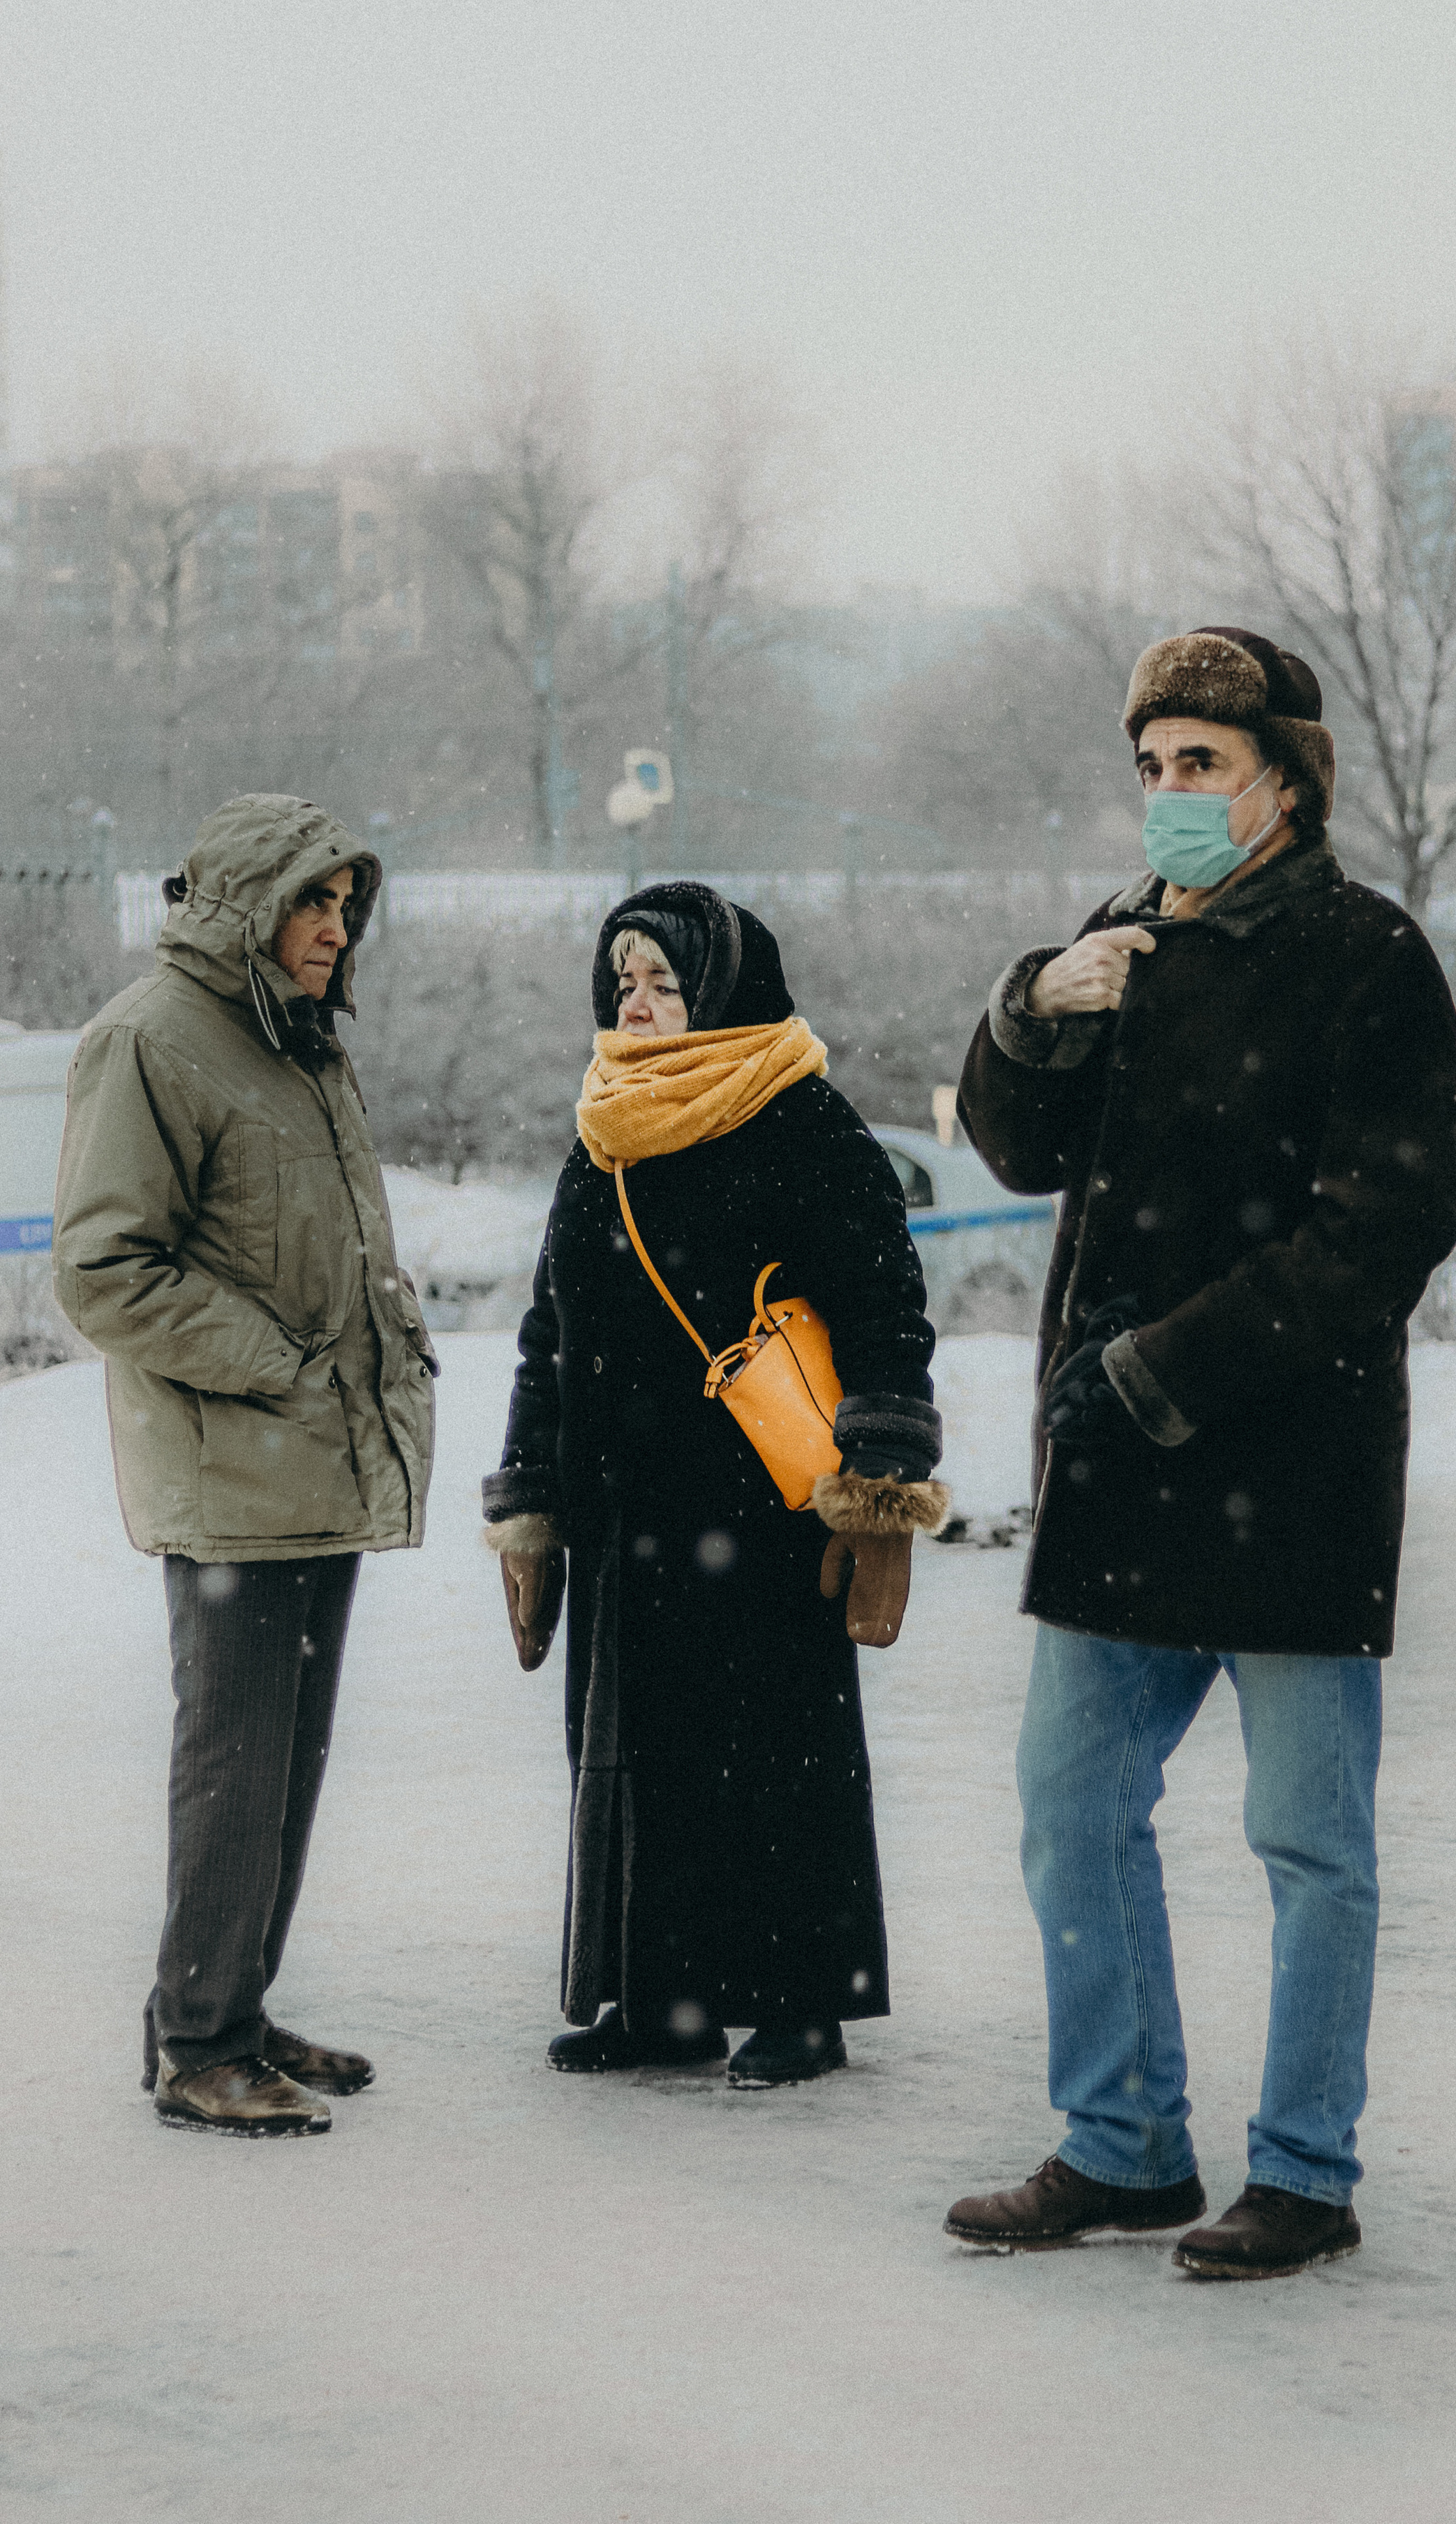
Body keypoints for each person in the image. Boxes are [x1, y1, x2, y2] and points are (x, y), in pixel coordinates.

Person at [944, 628, 1456, 2278]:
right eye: (1150, 766)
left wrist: (1171, 1368)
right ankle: (1119, 2144)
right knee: (1069, 1808)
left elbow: (1387, 1219)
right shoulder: (1120, 940)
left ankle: (1302, 2170)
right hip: (1117, 1468)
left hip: (1287, 1464)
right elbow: (1018, 1147)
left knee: (1308, 1843)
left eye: (1201, 766)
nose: (1167, 796)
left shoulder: (1365, 955)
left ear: (1284, 781)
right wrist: (1034, 1010)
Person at [482, 881, 949, 2087]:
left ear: (724, 990)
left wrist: (885, 1482)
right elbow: (551, 1330)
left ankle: (804, 1999)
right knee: (641, 1756)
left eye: (663, 981)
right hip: (625, 1506)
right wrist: (531, 1500)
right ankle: (663, 1999)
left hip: (765, 1509)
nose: (637, 1003)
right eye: (623, 980)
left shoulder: (805, 1121)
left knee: (778, 1752)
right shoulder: (606, 1134)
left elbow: (887, 1308)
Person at [52, 794, 438, 2139]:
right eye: (310, 901)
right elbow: (105, 1270)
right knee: (233, 1760)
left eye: (345, 903)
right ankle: (197, 2041)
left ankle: (237, 2007)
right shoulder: (152, 1042)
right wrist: (278, 1360)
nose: (335, 927)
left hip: (314, 1462)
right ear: (245, 906)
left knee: (287, 1759)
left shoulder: (295, 1042)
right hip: (234, 1472)